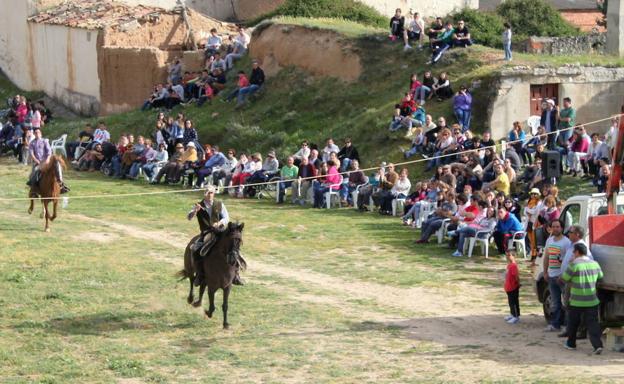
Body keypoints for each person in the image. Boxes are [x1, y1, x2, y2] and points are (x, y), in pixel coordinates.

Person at [187, 186, 243, 286]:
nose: (210, 195)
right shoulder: (198, 205)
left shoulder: (219, 204)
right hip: (207, 232)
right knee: (196, 249)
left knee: (234, 246)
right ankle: (200, 274)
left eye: (211, 192)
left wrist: (220, 223)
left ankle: (236, 274)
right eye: (208, 193)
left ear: (214, 194)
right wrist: (195, 211)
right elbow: (189, 217)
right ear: (204, 193)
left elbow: (226, 217)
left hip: (220, 231)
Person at [561, 243, 604, 354]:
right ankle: (597, 345)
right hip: (592, 299)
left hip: (576, 301)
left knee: (573, 323)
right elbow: (600, 277)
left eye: (574, 252)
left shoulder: (574, 265)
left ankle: (571, 343)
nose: (573, 254)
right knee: (592, 323)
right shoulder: (595, 264)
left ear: (577, 252)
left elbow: (564, 278)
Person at [543, 219, 572, 332]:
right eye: (553, 226)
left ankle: (566, 325)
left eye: (557, 226)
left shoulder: (566, 242)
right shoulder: (549, 240)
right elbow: (546, 257)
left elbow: (569, 260)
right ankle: (555, 324)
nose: (555, 229)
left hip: (562, 276)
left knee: (566, 302)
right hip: (551, 275)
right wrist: (545, 272)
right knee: (555, 302)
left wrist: (565, 275)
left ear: (562, 228)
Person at [504, 251, 521, 324]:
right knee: (510, 302)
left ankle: (516, 316)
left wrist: (518, 283)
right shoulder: (509, 265)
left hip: (513, 287)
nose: (508, 257)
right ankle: (512, 313)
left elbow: (516, 276)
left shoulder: (514, 266)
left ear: (514, 256)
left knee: (514, 302)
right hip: (508, 287)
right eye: (507, 255)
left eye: (509, 255)